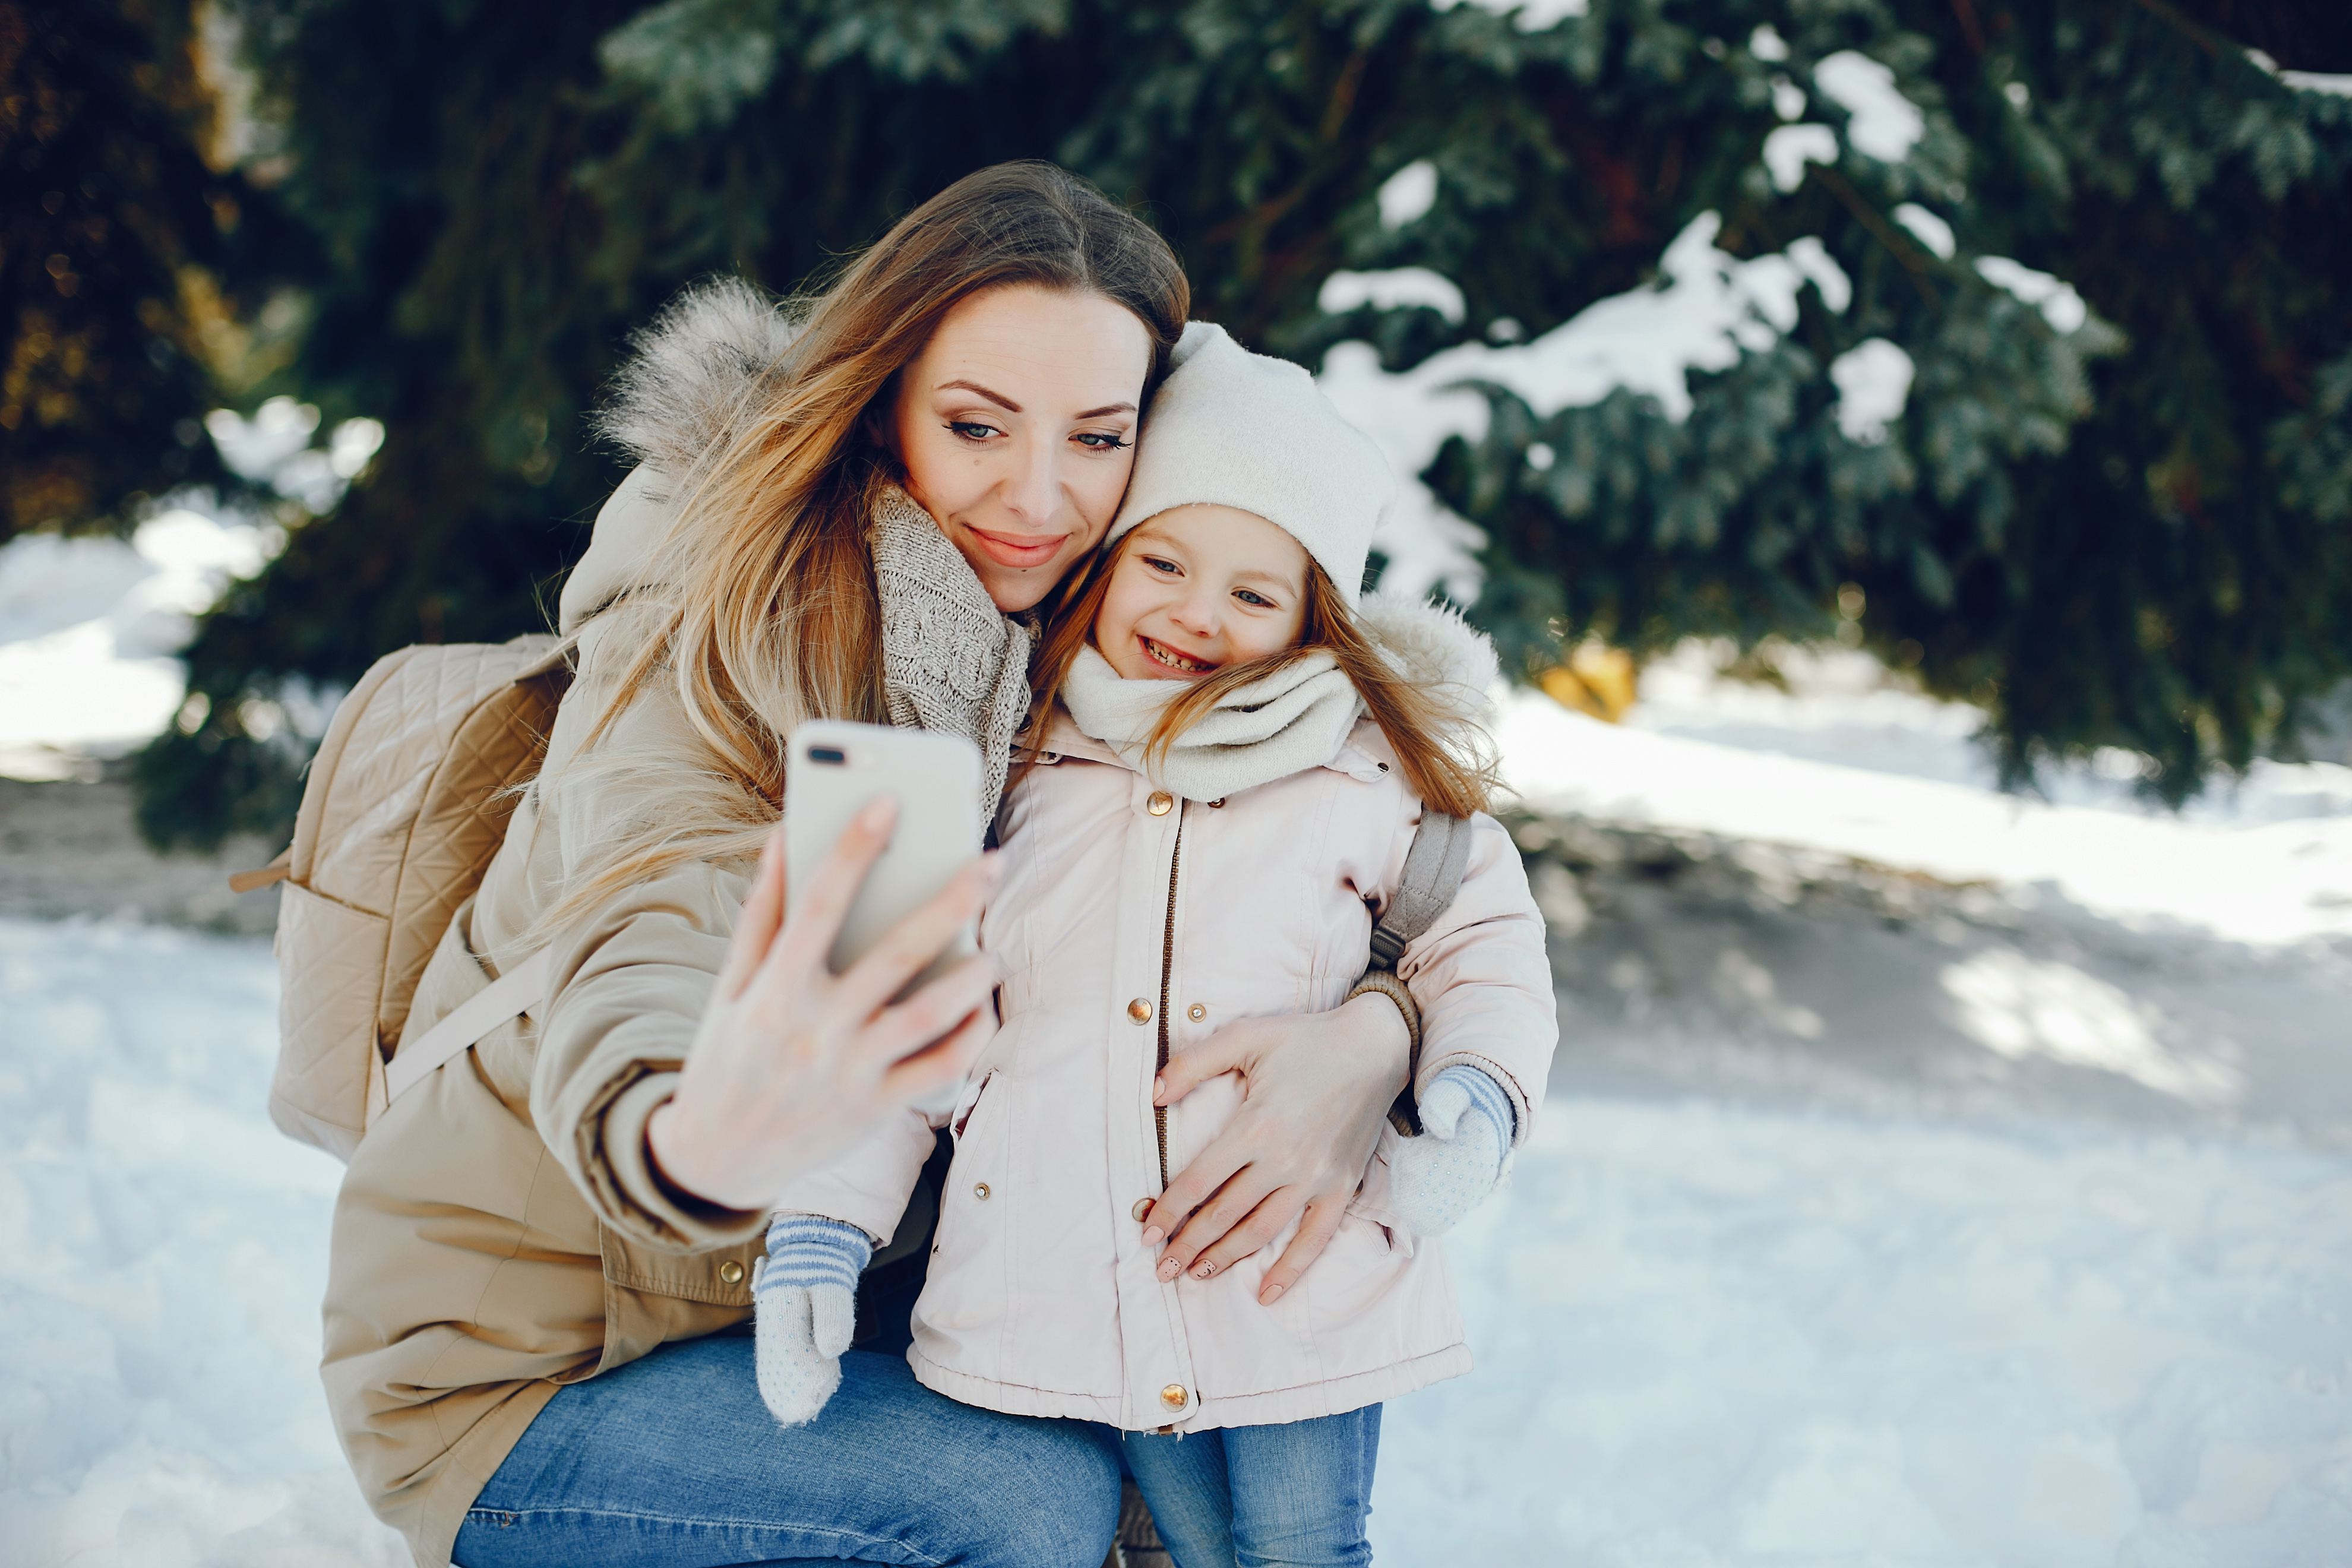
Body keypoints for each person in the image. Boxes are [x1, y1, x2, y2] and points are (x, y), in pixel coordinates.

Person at [321, 163, 1425, 1568]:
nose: (1039, 496)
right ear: (883, 396)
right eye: (977, 425)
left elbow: (1361, 869)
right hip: (543, 1368)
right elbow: (661, 900)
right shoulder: (718, 624)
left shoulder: (1112, 652)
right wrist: (700, 1133)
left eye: (1097, 437)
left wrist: (1375, 1037)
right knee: (1025, 1512)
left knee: (1209, 1409)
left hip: (848, 1316)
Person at [754, 323, 1557, 1567]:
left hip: (1293, 1272)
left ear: (1309, 622)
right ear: (1109, 565)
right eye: (1165, 564)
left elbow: (1484, 945)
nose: (1197, 615)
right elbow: (892, 1021)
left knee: (1303, 1549)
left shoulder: (1361, 773)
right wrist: (821, 1228)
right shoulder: (1006, 765)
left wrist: (1473, 1098)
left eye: (1252, 594)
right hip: (1083, 1291)